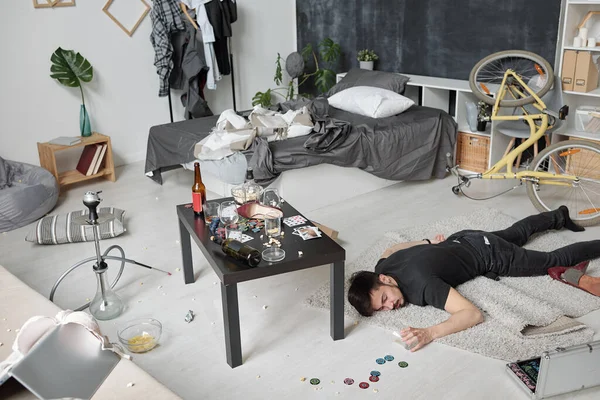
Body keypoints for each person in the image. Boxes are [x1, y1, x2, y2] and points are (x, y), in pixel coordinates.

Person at [347, 206, 600, 352]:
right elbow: (391, 249)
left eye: (385, 299)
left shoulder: (423, 286)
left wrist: (430, 332)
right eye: (383, 308)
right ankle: (558, 215)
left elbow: (472, 314)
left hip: (489, 255)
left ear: (384, 280)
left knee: (551, 261)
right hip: (465, 238)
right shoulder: (384, 266)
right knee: (515, 234)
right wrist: (426, 243)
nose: (390, 306)